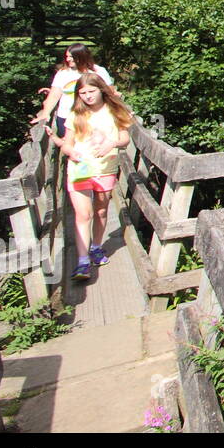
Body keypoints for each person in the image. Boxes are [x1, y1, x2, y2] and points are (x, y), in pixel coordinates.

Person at [61, 72, 133, 282]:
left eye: (91, 91)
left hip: (105, 169)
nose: (88, 96)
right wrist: (71, 152)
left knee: (100, 211)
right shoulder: (76, 114)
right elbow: (67, 143)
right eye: (82, 93)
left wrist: (112, 143)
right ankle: (82, 262)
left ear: (101, 89)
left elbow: (125, 138)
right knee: (83, 215)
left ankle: (96, 247)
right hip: (79, 169)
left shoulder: (115, 111)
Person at [30, 44, 115, 144]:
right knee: (69, 146)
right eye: (67, 56)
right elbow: (54, 95)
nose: (68, 59)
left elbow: (109, 93)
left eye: (71, 56)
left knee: (89, 146)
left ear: (82, 56)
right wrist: (45, 113)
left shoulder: (98, 71)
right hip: (66, 117)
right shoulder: (63, 73)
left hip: (92, 116)